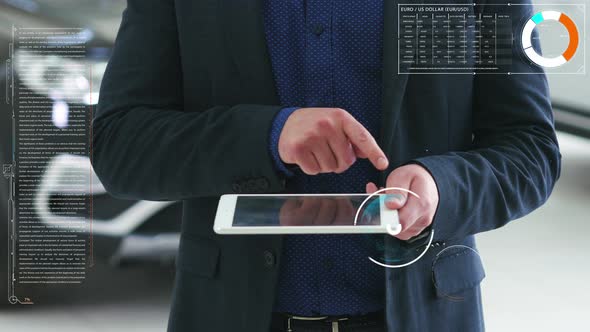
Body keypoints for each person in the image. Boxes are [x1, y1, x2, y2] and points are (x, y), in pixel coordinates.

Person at [92, 0, 560, 331]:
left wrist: (442, 187)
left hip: (424, 314)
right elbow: (120, 145)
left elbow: (530, 147)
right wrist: (268, 136)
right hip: (233, 314)